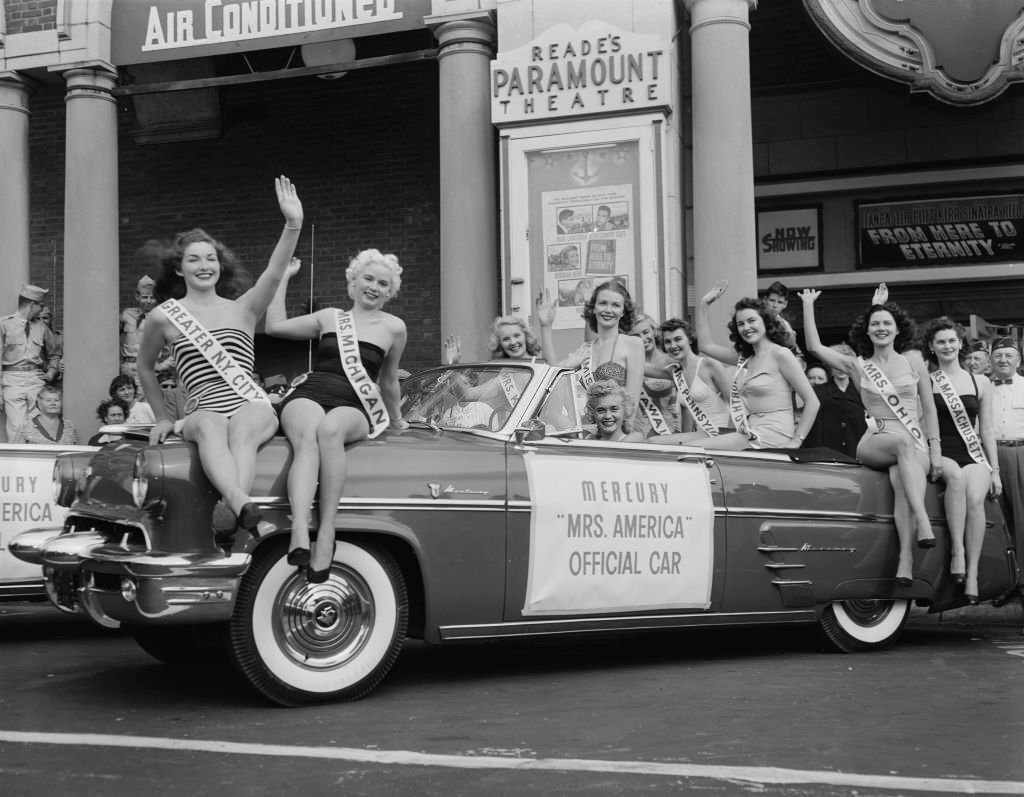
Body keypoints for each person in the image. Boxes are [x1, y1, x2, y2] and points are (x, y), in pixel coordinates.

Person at [138, 175, 304, 541]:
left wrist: (293, 224)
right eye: (193, 259)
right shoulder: (164, 316)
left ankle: (232, 508)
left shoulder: (244, 308)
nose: (203, 265)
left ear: (220, 266)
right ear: (179, 269)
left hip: (249, 403)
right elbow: (145, 368)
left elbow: (275, 272)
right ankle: (238, 507)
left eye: (210, 258)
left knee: (244, 432)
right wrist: (164, 417)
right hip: (203, 408)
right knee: (212, 430)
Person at [265, 250, 407, 582]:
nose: (373, 287)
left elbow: (387, 380)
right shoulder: (330, 317)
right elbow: (273, 327)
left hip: (354, 404)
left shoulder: (394, 328)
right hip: (312, 392)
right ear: (353, 281)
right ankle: (299, 530)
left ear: (390, 292)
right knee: (307, 437)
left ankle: (326, 533)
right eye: (368, 279)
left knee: (329, 430)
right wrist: (284, 278)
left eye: (382, 284)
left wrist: (397, 419)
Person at [801, 284, 942, 587]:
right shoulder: (857, 366)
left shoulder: (914, 360)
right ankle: (922, 521)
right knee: (901, 447)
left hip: (915, 443)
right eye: (875, 324)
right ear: (866, 332)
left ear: (897, 329)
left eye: (886, 323)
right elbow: (814, 347)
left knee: (901, 477)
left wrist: (936, 450)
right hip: (876, 441)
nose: (880, 328)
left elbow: (929, 409)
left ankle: (905, 559)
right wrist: (808, 304)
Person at [922, 317, 1000, 604]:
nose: (947, 346)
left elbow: (988, 429)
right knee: (955, 479)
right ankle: (958, 552)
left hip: (973, 453)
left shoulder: (979, 382)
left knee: (976, 498)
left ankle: (973, 573)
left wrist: (995, 471)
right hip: (943, 452)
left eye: (952, 340)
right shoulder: (926, 382)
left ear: (960, 343)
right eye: (941, 341)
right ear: (932, 346)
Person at [694, 280, 818, 450]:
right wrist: (704, 304)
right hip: (750, 431)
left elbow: (812, 401)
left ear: (765, 322)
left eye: (752, 321)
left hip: (772, 435)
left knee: (694, 449)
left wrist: (797, 441)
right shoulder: (747, 358)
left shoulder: (781, 354)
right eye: (741, 324)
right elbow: (705, 346)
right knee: (688, 446)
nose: (746, 327)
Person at [537, 280, 645, 430]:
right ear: (593, 308)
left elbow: (631, 405)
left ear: (623, 311)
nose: (608, 310)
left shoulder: (633, 344)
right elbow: (553, 374)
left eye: (616, 305)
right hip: (593, 430)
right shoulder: (586, 349)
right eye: (602, 303)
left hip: (623, 433)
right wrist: (546, 326)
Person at [647, 318, 732, 444]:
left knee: (655, 442)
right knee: (654, 442)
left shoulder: (709, 365)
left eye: (678, 339)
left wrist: (729, 439)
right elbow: (639, 366)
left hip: (721, 433)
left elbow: (736, 404)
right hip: (700, 435)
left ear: (690, 339)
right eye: (668, 342)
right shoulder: (675, 372)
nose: (673, 345)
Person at [989, 336, 1024, 608]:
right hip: (989, 458)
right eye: (998, 355)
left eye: (1008, 355)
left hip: (1020, 453)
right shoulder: (982, 388)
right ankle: (1007, 581)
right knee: (999, 523)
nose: (1003, 359)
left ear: (1018, 360)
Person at [1, 283, 60, 442]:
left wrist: (50, 373)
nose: (42, 309)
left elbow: (55, 352)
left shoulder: (41, 328)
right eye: (40, 305)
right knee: (16, 428)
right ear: (31, 304)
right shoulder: (4, 324)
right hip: (12, 379)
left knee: (39, 426)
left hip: (36, 379)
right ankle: (17, 465)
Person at [803, 342, 867, 457]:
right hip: (829, 456)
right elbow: (814, 432)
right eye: (836, 363)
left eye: (845, 363)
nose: (840, 368)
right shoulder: (818, 393)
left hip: (858, 454)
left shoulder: (862, 392)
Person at [630, 313, 679, 436]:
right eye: (636, 336)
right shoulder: (629, 364)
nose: (642, 338)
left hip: (672, 430)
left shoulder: (672, 360)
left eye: (646, 332)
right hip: (639, 432)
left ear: (654, 331)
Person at [120, 275, 159, 384]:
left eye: (152, 297)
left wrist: (163, 365)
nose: (149, 301)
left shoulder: (161, 319)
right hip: (128, 369)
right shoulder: (126, 315)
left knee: (147, 400)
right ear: (137, 297)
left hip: (149, 368)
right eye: (145, 297)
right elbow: (109, 336)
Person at [11, 385, 78, 444]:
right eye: (48, 400)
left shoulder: (69, 427)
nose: (53, 403)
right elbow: (17, 454)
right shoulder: (26, 427)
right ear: (39, 404)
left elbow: (77, 454)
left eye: (57, 400)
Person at [38, 305, 64, 387]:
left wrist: (64, 361)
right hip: (38, 381)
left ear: (51, 319)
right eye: (38, 319)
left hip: (58, 383)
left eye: (45, 318)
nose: (41, 322)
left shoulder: (61, 336)